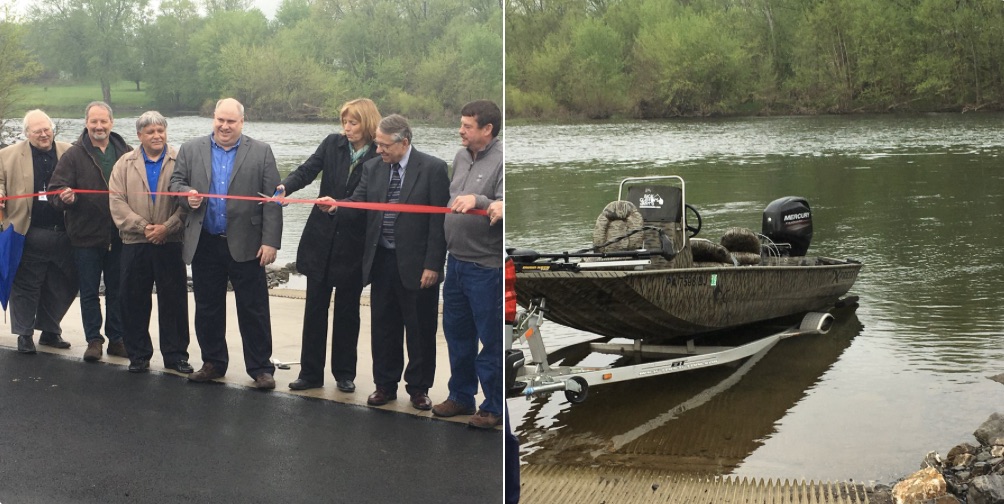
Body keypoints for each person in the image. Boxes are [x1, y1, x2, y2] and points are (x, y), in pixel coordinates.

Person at [327, 114, 449, 409]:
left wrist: (433, 264)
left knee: (420, 329)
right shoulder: (373, 168)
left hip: (418, 265)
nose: (378, 150)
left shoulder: (433, 168)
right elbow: (359, 202)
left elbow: (439, 222)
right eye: (377, 144)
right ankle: (385, 385)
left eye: (384, 145)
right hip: (381, 259)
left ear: (403, 142)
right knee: (383, 327)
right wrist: (336, 205)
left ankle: (418, 388)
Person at [170, 97, 282, 390]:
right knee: (207, 307)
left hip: (248, 243)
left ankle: (260, 368)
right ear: (213, 119)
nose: (224, 126)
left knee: (254, 309)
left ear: (242, 122)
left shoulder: (261, 151)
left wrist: (270, 241)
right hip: (205, 241)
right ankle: (213, 363)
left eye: (231, 121)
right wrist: (187, 195)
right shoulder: (191, 149)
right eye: (220, 120)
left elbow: (273, 200)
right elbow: (175, 184)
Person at [274, 98, 381, 393]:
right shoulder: (332, 144)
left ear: (367, 123)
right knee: (314, 310)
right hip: (320, 240)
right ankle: (310, 373)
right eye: (344, 122)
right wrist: (285, 186)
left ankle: (344, 373)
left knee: (347, 312)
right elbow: (307, 170)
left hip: (354, 243)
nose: (347, 128)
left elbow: (367, 198)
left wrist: (340, 207)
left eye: (353, 123)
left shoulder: (379, 153)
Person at [432, 100, 505, 429]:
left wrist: (482, 201)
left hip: (487, 268)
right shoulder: (461, 157)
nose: (460, 130)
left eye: (467, 126)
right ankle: (461, 396)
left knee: (491, 339)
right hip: (456, 263)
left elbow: (506, 205)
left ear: (487, 129)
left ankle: (493, 406)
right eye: (461, 124)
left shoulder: (503, 160)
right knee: (457, 335)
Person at [108, 111, 192, 374]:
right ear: (139, 135)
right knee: (133, 300)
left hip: (170, 241)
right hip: (135, 242)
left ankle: (176, 356)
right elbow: (117, 203)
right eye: (150, 132)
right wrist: (144, 227)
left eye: (160, 131)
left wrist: (167, 228)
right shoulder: (124, 164)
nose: (157, 136)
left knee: (174, 301)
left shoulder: (181, 160)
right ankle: (138, 355)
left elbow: (189, 202)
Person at [49, 101, 132, 362]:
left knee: (117, 290)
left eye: (103, 121)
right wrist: (66, 198)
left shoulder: (126, 152)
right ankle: (94, 340)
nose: (99, 126)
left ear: (111, 122)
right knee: (89, 292)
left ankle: (117, 339)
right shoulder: (73, 155)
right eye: (94, 121)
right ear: (86, 123)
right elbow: (54, 191)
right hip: (85, 236)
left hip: (119, 235)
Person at [0, 110, 77, 354]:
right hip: (27, 231)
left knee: (63, 282)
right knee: (26, 285)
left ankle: (50, 330)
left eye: (47, 129)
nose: (44, 135)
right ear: (27, 134)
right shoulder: (7, 155)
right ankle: (24, 334)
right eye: (37, 131)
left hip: (65, 231)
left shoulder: (70, 151)